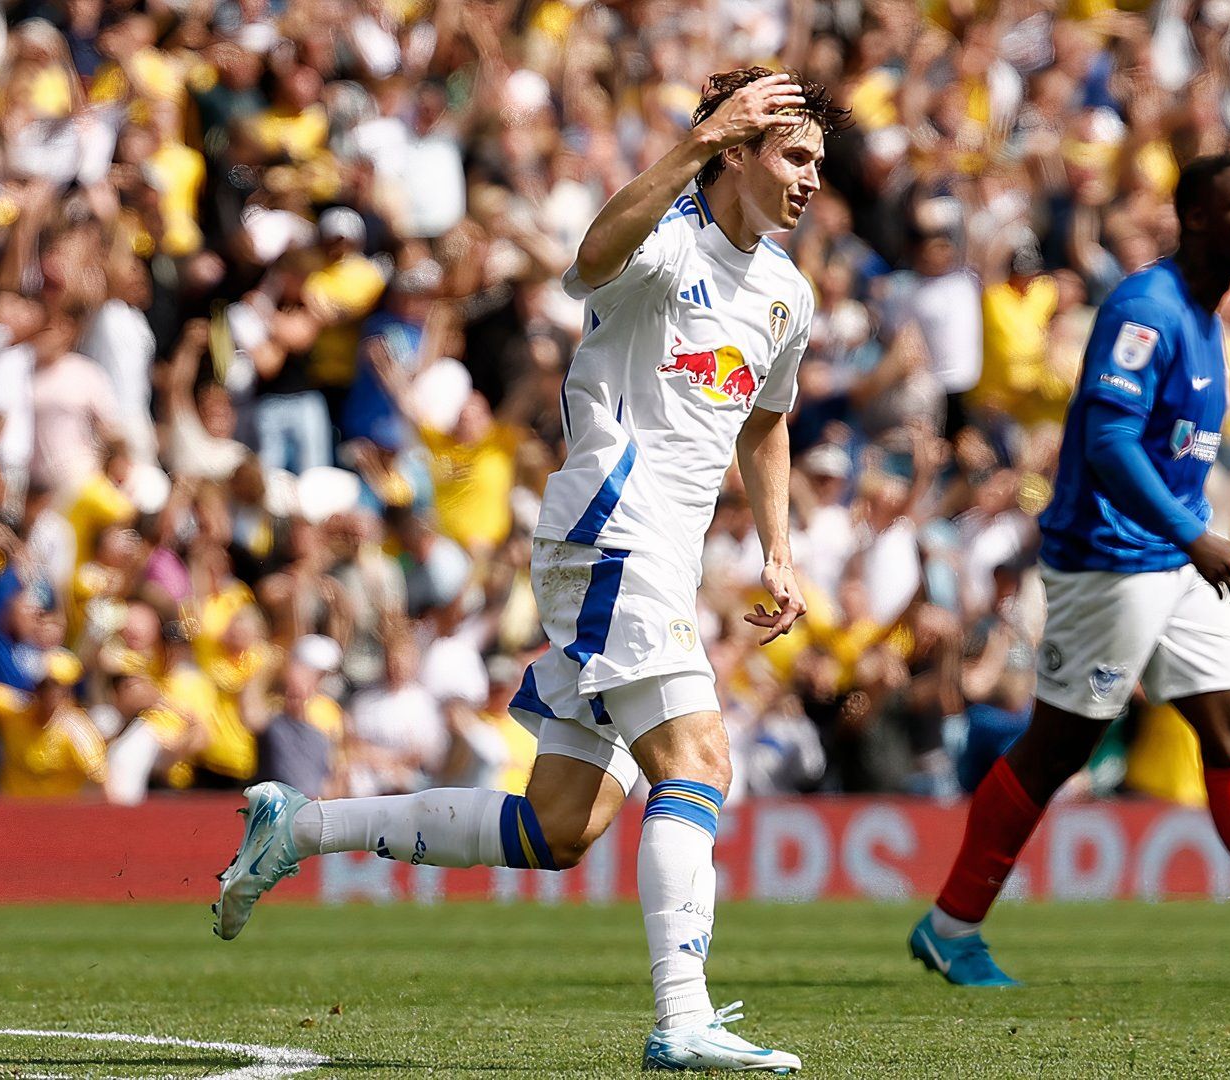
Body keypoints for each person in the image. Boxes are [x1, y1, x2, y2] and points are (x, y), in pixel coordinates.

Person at [213, 67, 844, 1072]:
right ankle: (683, 1016)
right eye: (793, 155)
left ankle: (300, 827)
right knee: (701, 764)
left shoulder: (785, 294)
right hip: (609, 528)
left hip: (662, 559)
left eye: (819, 161)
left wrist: (775, 542)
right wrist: (693, 143)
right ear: (733, 150)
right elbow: (585, 263)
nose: (812, 180)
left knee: (562, 826)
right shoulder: (666, 241)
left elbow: (766, 424)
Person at [908, 154, 1230, 989]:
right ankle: (949, 926)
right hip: (1112, 557)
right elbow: (1107, 441)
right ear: (1194, 219)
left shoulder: (1209, 316)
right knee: (1057, 749)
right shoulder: (1146, 308)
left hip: (1172, 555)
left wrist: (1189, 538)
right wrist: (1195, 534)